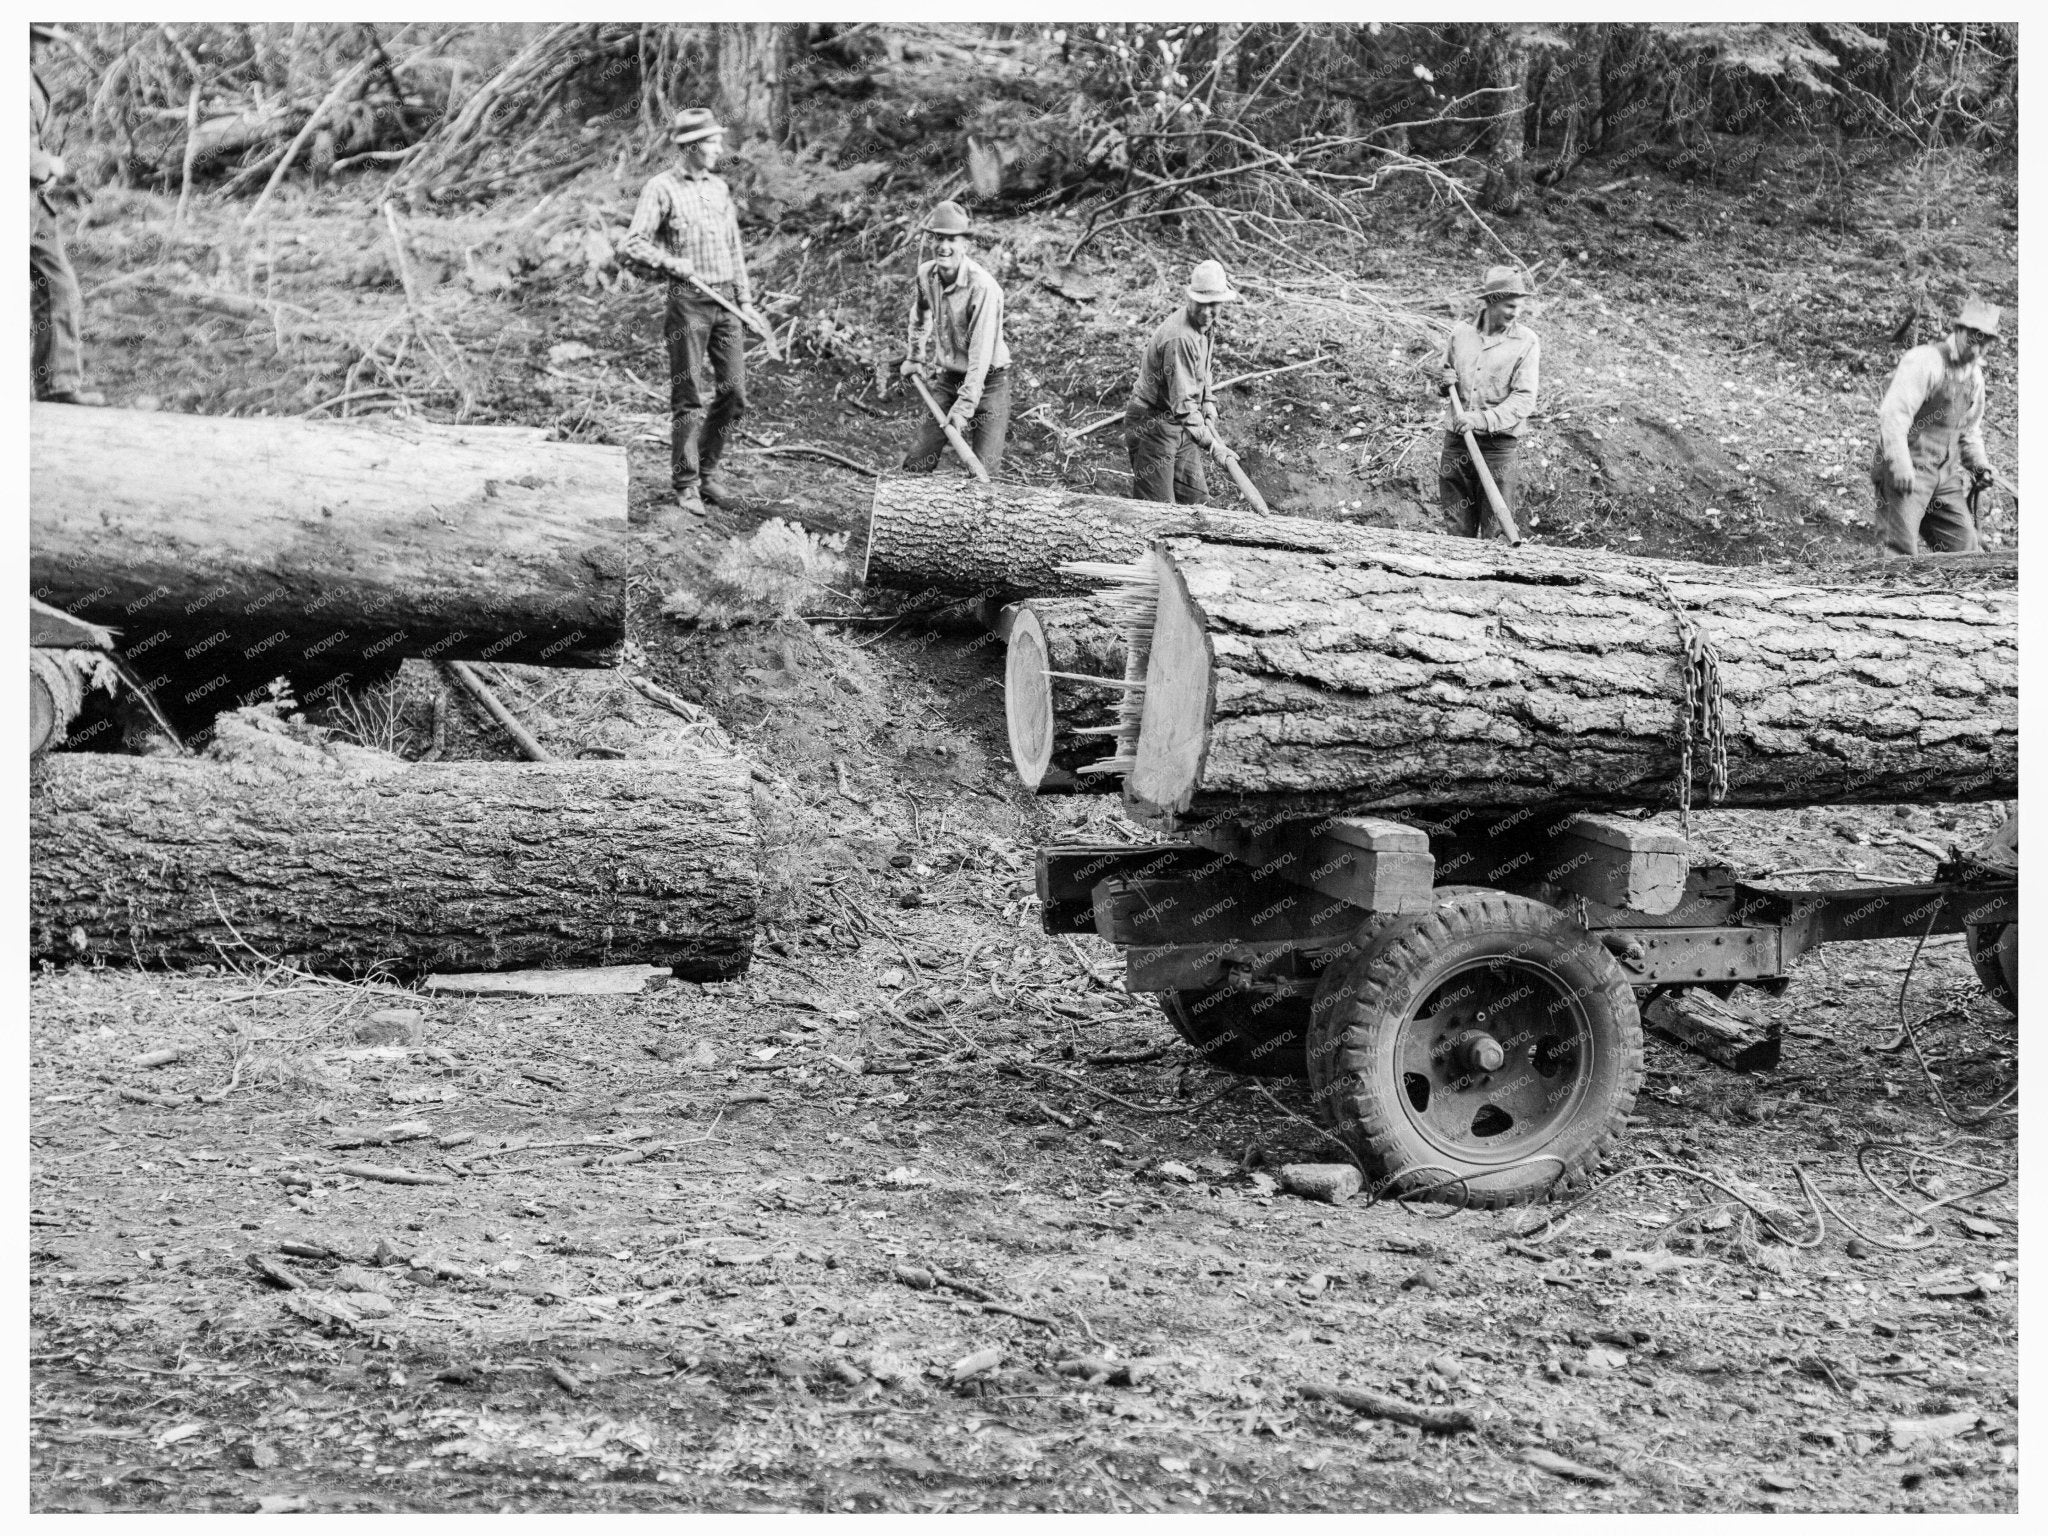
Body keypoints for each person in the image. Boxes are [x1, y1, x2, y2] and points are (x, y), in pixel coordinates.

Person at [619, 107, 766, 518]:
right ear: (692, 146)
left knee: (734, 392)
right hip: (687, 302)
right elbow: (633, 243)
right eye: (713, 142)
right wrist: (670, 262)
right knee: (688, 398)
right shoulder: (661, 188)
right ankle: (685, 483)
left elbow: (735, 250)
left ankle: (707, 469)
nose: (719, 148)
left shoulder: (718, 189)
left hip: (725, 304)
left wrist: (747, 301)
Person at [1872, 298, 2002, 555]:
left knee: (1966, 553)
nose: (1977, 350)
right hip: (1907, 470)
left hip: (1944, 476)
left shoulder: (1974, 377)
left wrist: (1979, 464)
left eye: (1985, 343)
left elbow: (1969, 430)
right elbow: (1893, 416)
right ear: (1959, 330)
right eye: (1973, 339)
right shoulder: (1925, 361)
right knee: (1899, 551)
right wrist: (1900, 463)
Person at [897, 200, 1011, 476]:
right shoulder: (926, 273)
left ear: (965, 244)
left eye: (951, 239)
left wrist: (966, 405)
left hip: (990, 382)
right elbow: (920, 313)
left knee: (983, 474)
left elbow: (981, 353)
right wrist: (915, 355)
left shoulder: (982, 287)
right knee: (916, 464)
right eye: (937, 238)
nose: (943, 246)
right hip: (948, 380)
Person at [1126, 259, 1243, 505]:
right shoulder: (1179, 338)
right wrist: (1213, 446)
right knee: (1158, 513)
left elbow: (1202, 370)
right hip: (1153, 425)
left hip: (1181, 424)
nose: (1206, 312)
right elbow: (1183, 404)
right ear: (1190, 298)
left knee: (1196, 503)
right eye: (1201, 304)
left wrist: (1208, 401)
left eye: (1213, 305)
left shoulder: (1208, 325)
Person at [1437, 265, 1540, 539]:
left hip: (1497, 448)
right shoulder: (1461, 333)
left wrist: (1481, 420)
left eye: (1519, 307)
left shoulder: (1526, 342)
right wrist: (1441, 382)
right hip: (1457, 444)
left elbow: (1525, 399)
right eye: (1510, 306)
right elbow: (1443, 381)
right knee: (1457, 529)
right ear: (1491, 301)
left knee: (1495, 533)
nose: (1516, 313)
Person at [30, 25, 98, 405]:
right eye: (46, 39)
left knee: (58, 286)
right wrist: (48, 162)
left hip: (32, 204)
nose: (53, 48)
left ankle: (58, 384)